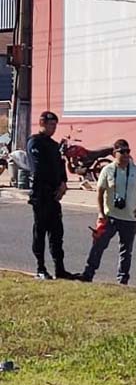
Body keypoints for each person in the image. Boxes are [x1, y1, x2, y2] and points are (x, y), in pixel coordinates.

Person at [79, 139, 136, 285]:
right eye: (122, 152)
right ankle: (88, 274)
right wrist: (101, 214)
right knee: (98, 246)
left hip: (130, 218)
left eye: (128, 151)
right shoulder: (107, 170)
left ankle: (122, 280)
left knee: (126, 251)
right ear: (114, 153)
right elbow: (100, 193)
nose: (126, 155)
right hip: (110, 216)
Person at [26, 111, 75, 280]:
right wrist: (52, 185)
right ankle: (40, 268)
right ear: (42, 124)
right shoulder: (35, 142)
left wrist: (62, 184)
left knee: (56, 233)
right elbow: (40, 169)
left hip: (54, 196)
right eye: (50, 124)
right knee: (40, 232)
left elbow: (60, 166)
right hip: (41, 194)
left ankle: (60, 269)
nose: (52, 128)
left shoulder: (54, 146)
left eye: (55, 125)